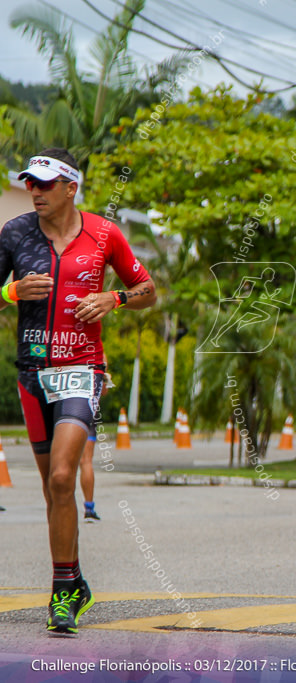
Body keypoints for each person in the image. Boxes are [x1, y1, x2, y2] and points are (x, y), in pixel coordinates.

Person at [1, 149, 156, 633]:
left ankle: (61, 590)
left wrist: (114, 298)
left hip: (82, 369)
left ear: (72, 188)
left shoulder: (104, 234)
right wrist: (9, 293)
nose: (35, 191)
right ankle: (74, 581)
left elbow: (147, 290)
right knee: (53, 491)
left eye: (45, 183)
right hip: (31, 373)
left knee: (64, 477)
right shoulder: (14, 234)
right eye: (31, 183)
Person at [79, 366, 113, 522]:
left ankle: (62, 504)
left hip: (63, 410)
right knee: (86, 461)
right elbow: (103, 390)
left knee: (63, 462)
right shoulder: (99, 354)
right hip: (88, 410)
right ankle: (89, 507)